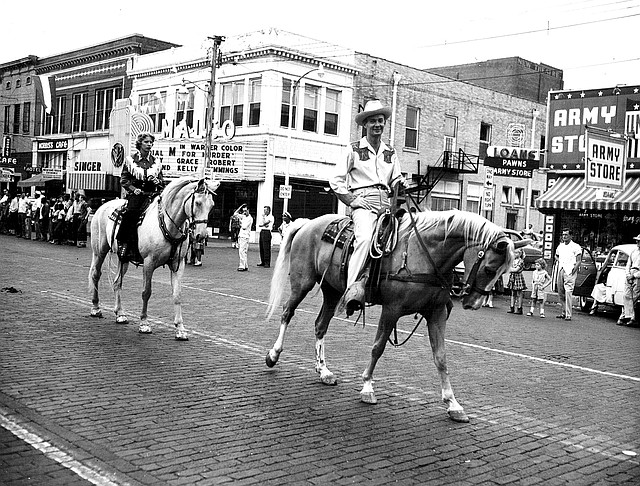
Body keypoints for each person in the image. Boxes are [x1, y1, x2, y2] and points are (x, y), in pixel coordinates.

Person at [329, 100, 408, 316]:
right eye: (372, 121)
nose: (377, 125)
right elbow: (335, 179)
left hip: (386, 205)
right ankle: (351, 291)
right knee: (364, 238)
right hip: (364, 203)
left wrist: (400, 183)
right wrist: (352, 200)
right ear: (365, 124)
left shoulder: (390, 152)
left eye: (380, 121)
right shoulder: (353, 149)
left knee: (405, 239)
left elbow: (395, 178)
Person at [117, 132, 164, 261]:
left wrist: (157, 182)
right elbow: (124, 180)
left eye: (151, 142)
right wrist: (133, 189)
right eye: (146, 142)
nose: (149, 145)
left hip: (152, 195)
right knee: (131, 214)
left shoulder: (156, 162)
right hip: (137, 195)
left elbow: (162, 181)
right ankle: (125, 243)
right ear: (140, 143)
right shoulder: (131, 160)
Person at [554, 228, 582, 321]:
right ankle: (563, 312)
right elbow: (556, 255)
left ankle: (568, 314)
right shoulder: (561, 246)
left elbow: (579, 260)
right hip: (561, 269)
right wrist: (560, 261)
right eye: (563, 235)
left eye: (566, 235)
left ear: (571, 236)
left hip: (570, 270)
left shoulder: (576, 246)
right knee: (561, 292)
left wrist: (573, 270)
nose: (564, 236)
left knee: (568, 292)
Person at [619, 234, 640, 327]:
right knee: (626, 295)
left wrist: (634, 275)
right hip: (630, 273)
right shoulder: (634, 252)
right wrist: (628, 274)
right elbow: (628, 264)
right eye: (637, 241)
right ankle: (628, 316)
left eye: (639, 241)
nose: (638, 242)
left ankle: (628, 317)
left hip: (638, 276)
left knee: (634, 297)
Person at [506, 248, 527, 314]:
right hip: (513, 277)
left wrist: (509, 269)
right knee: (513, 293)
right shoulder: (513, 260)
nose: (515, 254)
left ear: (520, 254)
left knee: (519, 293)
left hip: (518, 277)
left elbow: (516, 269)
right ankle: (512, 307)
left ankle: (519, 308)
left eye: (516, 253)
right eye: (514, 253)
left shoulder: (521, 261)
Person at [236, 205, 253, 272]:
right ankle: (245, 265)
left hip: (245, 236)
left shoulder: (250, 218)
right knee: (243, 251)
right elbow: (235, 214)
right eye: (244, 211)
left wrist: (240, 221)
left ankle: (242, 265)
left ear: (249, 211)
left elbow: (244, 226)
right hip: (241, 235)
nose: (244, 212)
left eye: (246, 211)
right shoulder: (243, 216)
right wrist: (240, 207)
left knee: (242, 251)